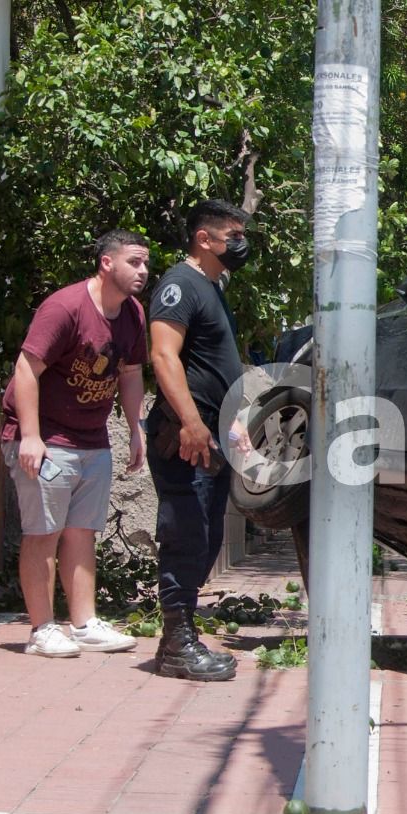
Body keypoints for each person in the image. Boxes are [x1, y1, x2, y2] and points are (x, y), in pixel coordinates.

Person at [0, 230, 149, 657]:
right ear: (107, 263)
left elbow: (131, 372)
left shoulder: (132, 313)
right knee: (43, 532)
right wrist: (30, 436)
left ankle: (83, 624)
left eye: (145, 264)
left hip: (92, 438)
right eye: (134, 262)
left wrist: (135, 428)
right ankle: (42, 629)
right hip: (44, 437)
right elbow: (26, 369)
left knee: (82, 532)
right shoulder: (65, 307)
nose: (143, 271)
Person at [146, 199, 253, 681]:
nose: (240, 244)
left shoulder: (213, 287)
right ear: (204, 239)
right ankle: (176, 645)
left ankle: (179, 635)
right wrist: (191, 423)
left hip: (211, 432)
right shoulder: (179, 284)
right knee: (186, 533)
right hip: (186, 434)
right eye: (233, 236)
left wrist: (234, 423)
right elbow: (164, 356)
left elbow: (216, 367)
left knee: (206, 536)